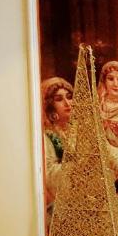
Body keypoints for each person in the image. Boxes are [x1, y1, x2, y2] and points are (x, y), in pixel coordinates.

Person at [40, 76, 73, 223]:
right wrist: (76, 167)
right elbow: (48, 175)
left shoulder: (79, 131)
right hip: (60, 206)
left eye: (69, 97)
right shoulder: (47, 137)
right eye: (59, 99)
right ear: (49, 106)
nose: (67, 103)